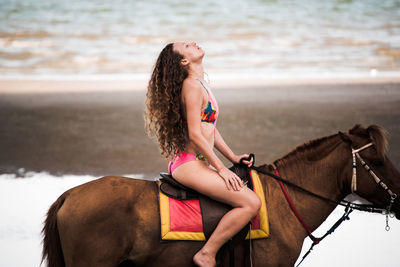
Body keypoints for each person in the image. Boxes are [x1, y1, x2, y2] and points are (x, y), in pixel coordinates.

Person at [145, 42, 261, 267]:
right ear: (183, 61)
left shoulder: (199, 83)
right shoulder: (191, 86)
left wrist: (233, 157)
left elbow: (210, 128)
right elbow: (196, 135)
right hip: (189, 165)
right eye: (186, 46)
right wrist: (222, 169)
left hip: (194, 163)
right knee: (250, 203)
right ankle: (207, 253)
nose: (193, 43)